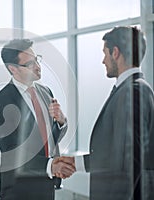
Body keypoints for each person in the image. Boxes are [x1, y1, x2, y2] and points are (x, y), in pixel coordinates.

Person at [58, 26, 154, 200]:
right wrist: (77, 162)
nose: (103, 60)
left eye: (105, 53)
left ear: (115, 52)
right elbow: (116, 153)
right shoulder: (132, 89)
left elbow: (127, 160)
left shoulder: (133, 92)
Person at [0, 39, 76, 200]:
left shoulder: (45, 92)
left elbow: (49, 140)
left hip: (46, 183)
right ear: (13, 69)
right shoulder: (0, 102)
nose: (37, 66)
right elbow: (13, 152)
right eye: (30, 64)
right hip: (18, 190)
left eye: (37, 59)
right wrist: (51, 165)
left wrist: (62, 122)